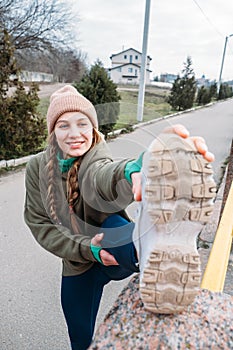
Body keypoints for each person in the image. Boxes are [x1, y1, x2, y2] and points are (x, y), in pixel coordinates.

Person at [24, 85, 216, 350]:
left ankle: (149, 248)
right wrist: (88, 249)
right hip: (78, 260)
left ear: (93, 128)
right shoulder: (36, 167)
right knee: (80, 336)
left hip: (115, 247)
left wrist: (137, 169)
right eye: (63, 126)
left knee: (115, 229)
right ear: (52, 132)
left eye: (82, 124)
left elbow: (104, 176)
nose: (75, 134)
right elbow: (40, 224)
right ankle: (146, 244)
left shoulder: (95, 155)